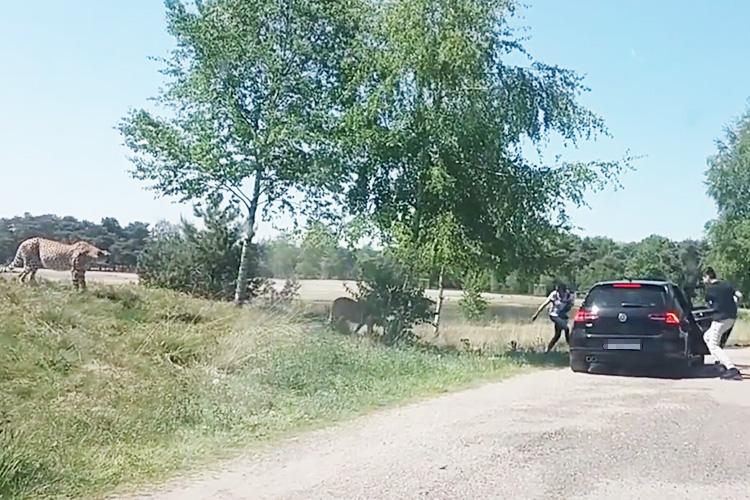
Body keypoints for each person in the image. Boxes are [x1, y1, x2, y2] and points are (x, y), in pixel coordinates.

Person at [702, 267, 743, 380]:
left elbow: (709, 305)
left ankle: (731, 369)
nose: (703, 281)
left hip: (719, 318)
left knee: (713, 344)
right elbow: (739, 295)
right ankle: (719, 363)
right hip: (731, 317)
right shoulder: (726, 285)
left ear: (708, 277)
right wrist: (736, 305)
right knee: (707, 337)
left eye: (704, 278)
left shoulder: (710, 290)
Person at [531, 283, 576, 353]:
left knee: (557, 335)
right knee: (566, 329)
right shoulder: (554, 295)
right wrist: (536, 314)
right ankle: (572, 349)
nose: (558, 292)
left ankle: (547, 351)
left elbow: (570, 306)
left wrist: (568, 305)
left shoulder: (568, 295)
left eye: (559, 290)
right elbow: (544, 304)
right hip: (554, 314)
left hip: (562, 316)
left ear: (563, 290)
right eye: (557, 290)